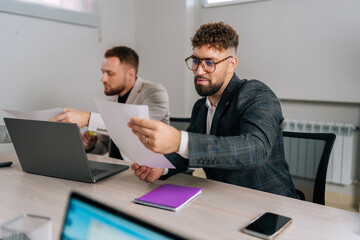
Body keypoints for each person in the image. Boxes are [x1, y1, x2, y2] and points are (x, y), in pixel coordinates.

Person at [128, 22, 298, 199]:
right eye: (196, 61)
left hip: (269, 203)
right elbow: (188, 153)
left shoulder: (256, 94)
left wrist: (179, 140)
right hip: (223, 200)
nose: (199, 71)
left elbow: (256, 149)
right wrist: (161, 167)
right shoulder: (201, 107)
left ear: (231, 64)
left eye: (210, 62)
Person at [51, 46, 170, 159]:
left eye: (110, 73)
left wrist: (88, 118)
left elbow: (138, 128)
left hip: (148, 171)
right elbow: (105, 143)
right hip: (117, 169)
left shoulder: (154, 92)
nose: (103, 79)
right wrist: (92, 144)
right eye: (103, 72)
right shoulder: (111, 101)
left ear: (131, 74)